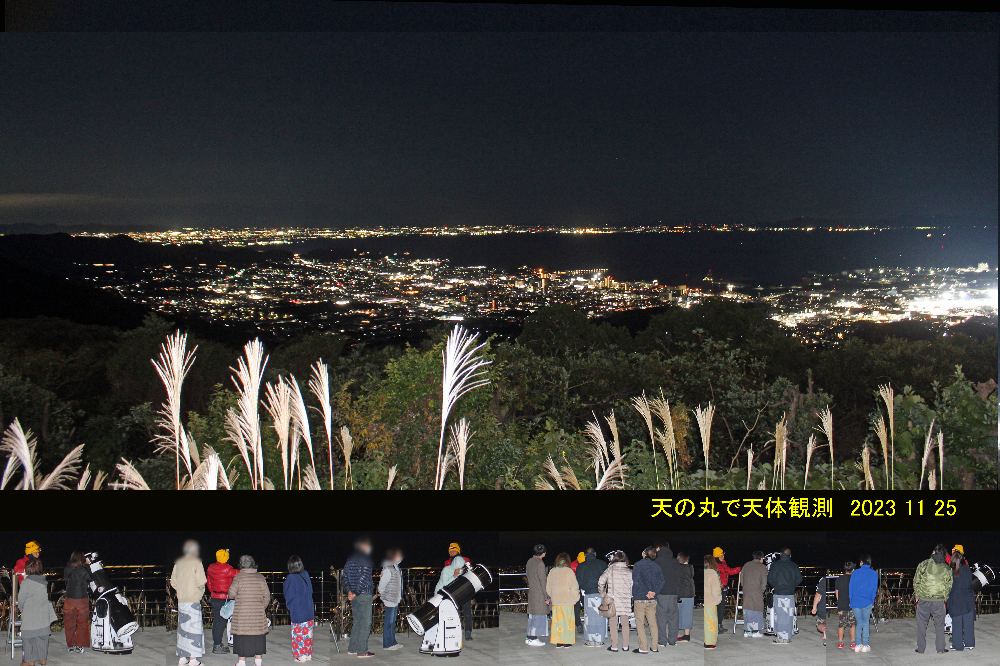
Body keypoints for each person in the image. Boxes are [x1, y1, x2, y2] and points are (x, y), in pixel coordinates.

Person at [228, 554, 271, 666]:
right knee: (258, 636)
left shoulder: (238, 577)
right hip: (258, 614)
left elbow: (231, 594)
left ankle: (241, 662)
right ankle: (258, 661)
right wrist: (261, 608)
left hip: (242, 615)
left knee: (242, 637)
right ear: (253, 564)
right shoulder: (260, 577)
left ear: (241, 565)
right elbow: (267, 596)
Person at [170, 539, 207, 666]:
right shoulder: (197, 562)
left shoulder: (178, 563)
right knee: (194, 629)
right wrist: (199, 593)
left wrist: (181, 589)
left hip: (182, 600)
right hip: (193, 600)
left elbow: (173, 582)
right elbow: (201, 581)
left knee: (183, 630)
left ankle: (182, 658)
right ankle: (193, 660)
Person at [913, 544, 952, 655]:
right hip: (939, 601)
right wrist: (945, 597)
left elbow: (916, 581)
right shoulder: (947, 568)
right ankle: (940, 649)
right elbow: (949, 585)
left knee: (921, 625)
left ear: (933, 552)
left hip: (923, 599)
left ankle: (921, 649)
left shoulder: (923, 564)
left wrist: (917, 595)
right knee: (939, 625)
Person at [17, 558, 56, 666]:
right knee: (42, 641)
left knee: (28, 640)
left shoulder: (26, 583)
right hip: (43, 620)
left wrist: (21, 609)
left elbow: (21, 600)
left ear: (27, 569)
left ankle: (30, 661)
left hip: (30, 621)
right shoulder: (43, 581)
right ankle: (43, 660)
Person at [343, 536, 375, 658]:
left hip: (354, 596)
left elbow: (344, 577)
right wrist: (355, 592)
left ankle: (352, 648)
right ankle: (362, 651)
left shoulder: (350, 559)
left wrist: (349, 592)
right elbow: (364, 577)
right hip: (364, 594)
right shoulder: (366, 559)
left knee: (357, 622)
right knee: (365, 622)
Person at [435, 542, 473, 641]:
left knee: (467, 612)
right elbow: (447, 577)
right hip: (453, 591)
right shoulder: (447, 562)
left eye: (454, 550)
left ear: (458, 551)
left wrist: (462, 571)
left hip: (465, 588)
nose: (452, 552)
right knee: (455, 613)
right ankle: (457, 632)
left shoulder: (466, 560)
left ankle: (468, 632)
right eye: (450, 551)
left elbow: (470, 572)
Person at [598, 550, 633, 653]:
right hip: (625, 600)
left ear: (615, 558)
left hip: (613, 600)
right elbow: (632, 585)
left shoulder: (610, 569)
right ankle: (625, 646)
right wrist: (629, 595)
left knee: (613, 623)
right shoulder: (629, 571)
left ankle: (614, 646)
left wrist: (603, 594)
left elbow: (600, 581)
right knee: (625, 623)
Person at [766, 547, 802, 645]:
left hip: (779, 594)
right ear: (790, 555)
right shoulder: (794, 565)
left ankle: (782, 638)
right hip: (790, 594)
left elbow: (770, 579)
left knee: (780, 616)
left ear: (781, 554)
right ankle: (787, 636)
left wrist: (776, 586)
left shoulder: (775, 565)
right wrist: (792, 586)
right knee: (789, 616)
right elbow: (799, 579)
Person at [631, 546, 663, 654]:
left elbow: (636, 581)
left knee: (640, 623)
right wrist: (654, 592)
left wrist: (645, 591)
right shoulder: (657, 566)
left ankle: (643, 647)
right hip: (652, 599)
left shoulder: (638, 565)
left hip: (640, 598)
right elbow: (662, 581)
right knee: (653, 623)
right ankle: (654, 647)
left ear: (644, 553)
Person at [207, 549, 238, 654]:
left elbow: (209, 584)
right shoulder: (228, 569)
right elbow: (239, 573)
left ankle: (218, 644)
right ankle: (217, 646)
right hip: (224, 599)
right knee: (221, 623)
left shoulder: (211, 567)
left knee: (217, 622)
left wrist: (214, 592)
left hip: (215, 597)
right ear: (226, 558)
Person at [283, 555, 314, 663]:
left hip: (298, 611)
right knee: (307, 634)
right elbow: (311, 591)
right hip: (309, 610)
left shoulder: (291, 578)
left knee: (298, 635)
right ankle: (307, 654)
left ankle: (300, 656)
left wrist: (290, 607)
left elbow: (289, 596)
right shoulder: (305, 574)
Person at [575, 547, 608, 647]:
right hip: (600, 594)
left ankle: (590, 640)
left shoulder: (581, 566)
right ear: (595, 554)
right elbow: (607, 579)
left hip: (588, 594)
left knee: (589, 618)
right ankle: (600, 640)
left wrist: (585, 588)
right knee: (600, 617)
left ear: (585, 555)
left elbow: (579, 582)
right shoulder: (602, 564)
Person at [546, 553, 580, 648]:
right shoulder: (569, 571)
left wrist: (553, 595)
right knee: (567, 621)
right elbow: (575, 587)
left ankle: (559, 642)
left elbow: (548, 587)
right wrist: (575, 599)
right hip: (567, 600)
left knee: (558, 621)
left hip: (556, 601)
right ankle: (567, 642)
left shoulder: (552, 571)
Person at [62, 551, 91, 653]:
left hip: (69, 599)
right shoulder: (83, 569)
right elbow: (90, 578)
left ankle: (70, 646)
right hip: (81, 599)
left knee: (69, 623)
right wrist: (88, 564)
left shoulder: (67, 568)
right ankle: (79, 646)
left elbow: (66, 581)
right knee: (82, 623)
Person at [947, 549, 975, 652]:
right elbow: (971, 583)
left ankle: (958, 645)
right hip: (968, 599)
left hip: (956, 600)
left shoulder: (951, 571)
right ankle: (969, 643)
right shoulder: (967, 569)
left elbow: (948, 587)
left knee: (957, 623)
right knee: (968, 623)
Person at [849, 554, 878, 654]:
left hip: (855, 602)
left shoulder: (855, 573)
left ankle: (858, 645)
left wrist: (851, 601)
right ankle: (865, 645)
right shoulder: (874, 574)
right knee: (865, 623)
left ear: (861, 562)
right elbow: (874, 589)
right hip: (867, 602)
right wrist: (872, 600)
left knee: (859, 623)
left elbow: (851, 589)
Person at [377, 548, 404, 651]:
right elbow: (381, 586)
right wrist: (385, 595)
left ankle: (393, 642)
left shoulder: (396, 567)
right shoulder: (388, 568)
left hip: (395, 598)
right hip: (390, 599)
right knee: (389, 622)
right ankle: (388, 644)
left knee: (392, 622)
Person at [653, 542, 677, 648]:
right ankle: (672, 641)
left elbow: (654, 578)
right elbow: (679, 578)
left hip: (661, 593)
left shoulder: (657, 562)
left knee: (661, 618)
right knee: (673, 618)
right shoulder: (675, 562)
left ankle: (662, 641)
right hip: (673, 593)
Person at [739, 551, 768, 639]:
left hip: (746, 591)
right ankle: (755, 631)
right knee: (757, 610)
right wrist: (761, 590)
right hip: (757, 591)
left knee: (747, 609)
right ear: (761, 558)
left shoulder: (746, 565)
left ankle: (747, 631)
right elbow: (764, 582)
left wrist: (745, 587)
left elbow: (741, 578)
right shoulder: (762, 567)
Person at [712, 546, 741, 632]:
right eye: (722, 555)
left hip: (723, 588)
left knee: (721, 607)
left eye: (723, 555)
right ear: (717, 556)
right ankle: (717, 626)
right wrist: (739, 569)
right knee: (718, 607)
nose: (723, 556)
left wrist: (739, 569)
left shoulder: (723, 563)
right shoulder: (715, 565)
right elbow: (728, 571)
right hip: (717, 589)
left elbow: (729, 571)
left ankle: (719, 625)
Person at [524, 544, 548, 647]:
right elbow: (543, 581)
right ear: (543, 553)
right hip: (539, 594)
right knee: (538, 616)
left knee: (532, 616)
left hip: (532, 591)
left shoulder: (529, 561)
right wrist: (547, 597)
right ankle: (533, 639)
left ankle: (529, 637)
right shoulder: (540, 563)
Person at [833, 562, 856, 650]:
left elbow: (837, 592)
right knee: (852, 624)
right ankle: (852, 642)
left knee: (841, 624)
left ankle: (840, 642)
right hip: (852, 605)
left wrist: (839, 601)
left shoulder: (839, 578)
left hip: (842, 605)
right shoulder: (854, 578)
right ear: (852, 569)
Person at [676, 552, 695, 643]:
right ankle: (686, 635)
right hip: (690, 594)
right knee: (688, 614)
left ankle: (675, 635)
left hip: (681, 594)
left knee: (677, 614)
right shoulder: (690, 568)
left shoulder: (678, 568)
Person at [703, 555, 722, 650]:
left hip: (704, 600)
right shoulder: (712, 573)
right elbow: (716, 590)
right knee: (711, 622)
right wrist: (718, 599)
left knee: (705, 621)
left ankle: (706, 640)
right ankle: (709, 642)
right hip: (710, 601)